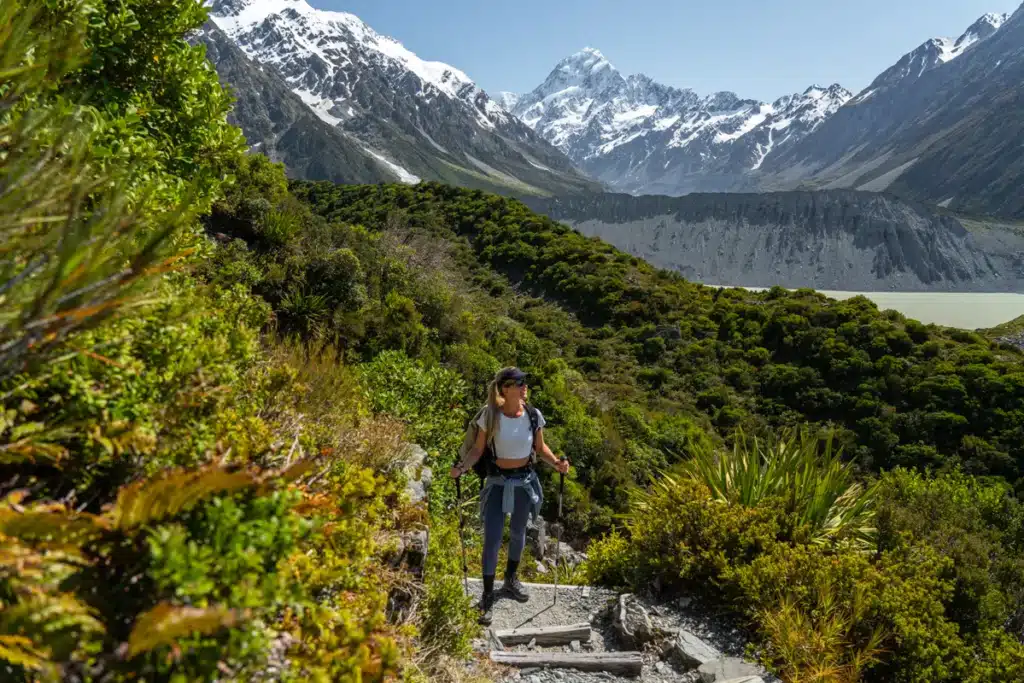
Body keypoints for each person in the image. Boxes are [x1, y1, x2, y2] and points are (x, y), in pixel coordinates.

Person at [450, 367, 571, 626]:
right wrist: (462, 467)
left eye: (525, 382)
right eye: (519, 382)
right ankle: (487, 593)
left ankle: (511, 579)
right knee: (492, 539)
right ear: (505, 388)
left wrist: (557, 464)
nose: (525, 386)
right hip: (496, 482)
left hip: (524, 483)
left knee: (519, 533)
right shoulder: (490, 416)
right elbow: (477, 450)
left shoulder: (533, 415)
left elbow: (540, 448)